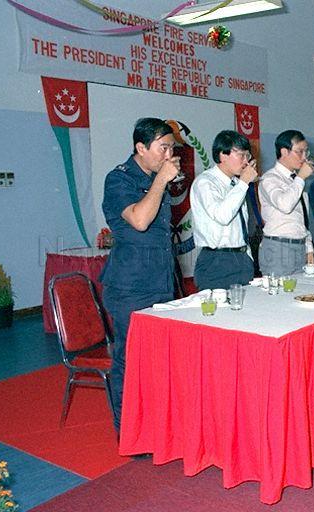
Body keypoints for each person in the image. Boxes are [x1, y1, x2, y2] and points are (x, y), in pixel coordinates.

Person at [100, 117, 180, 433]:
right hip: (130, 286)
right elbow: (140, 221)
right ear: (140, 147)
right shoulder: (118, 179)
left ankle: (157, 424)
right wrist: (162, 180)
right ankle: (129, 431)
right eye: (163, 147)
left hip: (160, 281)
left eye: (172, 147)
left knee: (159, 361)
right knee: (129, 361)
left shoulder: (154, 176)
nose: (169, 153)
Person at [190, 130, 258, 289]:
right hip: (216, 260)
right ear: (222, 155)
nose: (246, 162)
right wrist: (244, 182)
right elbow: (223, 216)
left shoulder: (236, 184)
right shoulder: (205, 182)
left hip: (242, 258)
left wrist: (247, 256)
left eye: (248, 156)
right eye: (241, 155)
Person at [258, 130, 314, 276]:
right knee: (278, 297)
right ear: (284, 151)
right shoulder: (269, 179)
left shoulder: (296, 180)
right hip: (278, 247)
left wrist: (309, 249)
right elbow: (285, 205)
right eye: (299, 152)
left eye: (306, 152)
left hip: (300, 246)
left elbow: (302, 218)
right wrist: (301, 177)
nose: (304, 157)